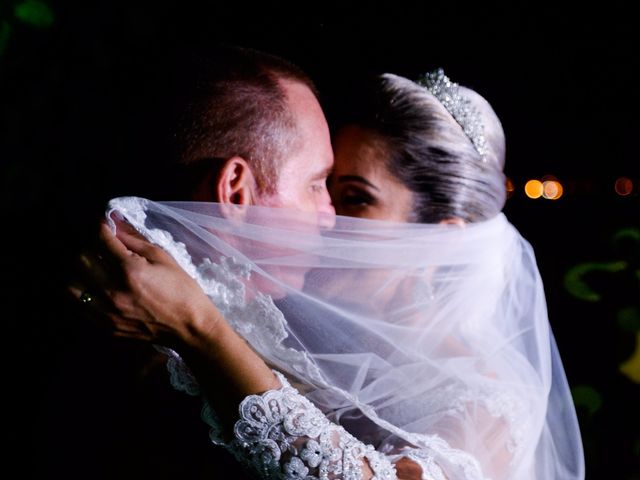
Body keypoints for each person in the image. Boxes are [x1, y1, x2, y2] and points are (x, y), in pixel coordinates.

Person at [71, 65, 585, 479]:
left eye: (355, 198)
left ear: (441, 241)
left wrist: (204, 332)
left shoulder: (488, 398)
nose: (324, 219)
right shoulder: (291, 336)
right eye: (321, 186)